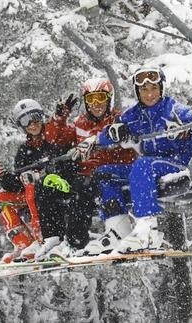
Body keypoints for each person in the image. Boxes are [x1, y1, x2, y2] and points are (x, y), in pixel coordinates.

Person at [86, 66, 192, 254]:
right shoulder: (134, 115)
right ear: (137, 92)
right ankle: (118, 229)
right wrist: (110, 134)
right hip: (150, 167)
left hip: (178, 164)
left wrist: (188, 134)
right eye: (144, 90)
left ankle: (148, 230)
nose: (149, 94)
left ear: (161, 88)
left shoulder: (175, 110)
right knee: (104, 173)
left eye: (154, 88)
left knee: (143, 164)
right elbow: (111, 132)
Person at [0, 97, 92, 262]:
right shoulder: (24, 150)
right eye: (25, 120)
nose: (32, 124)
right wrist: (3, 177)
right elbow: (17, 183)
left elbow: (68, 164)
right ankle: (23, 243)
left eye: (35, 117)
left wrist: (41, 175)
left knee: (32, 188)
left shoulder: (53, 138)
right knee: (1, 198)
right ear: (21, 126)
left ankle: (42, 240)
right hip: (36, 192)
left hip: (59, 186)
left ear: (41, 117)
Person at [71, 78, 137, 255]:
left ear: (109, 99)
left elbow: (127, 141)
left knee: (102, 175)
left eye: (100, 98)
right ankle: (71, 241)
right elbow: (62, 141)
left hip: (125, 168)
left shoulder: (118, 120)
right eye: (90, 99)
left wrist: (108, 142)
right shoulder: (80, 124)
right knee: (73, 187)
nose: (96, 104)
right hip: (97, 173)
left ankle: (118, 230)